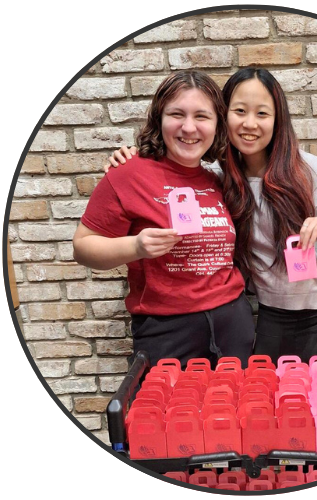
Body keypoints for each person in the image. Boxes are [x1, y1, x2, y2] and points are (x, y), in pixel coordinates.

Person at [107, 67, 317, 371]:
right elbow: (169, 169)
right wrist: (135, 156)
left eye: (262, 113)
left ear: (278, 120)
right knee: (274, 411)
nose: (250, 123)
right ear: (223, 117)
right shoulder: (219, 179)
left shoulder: (309, 170)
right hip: (270, 316)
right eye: (239, 111)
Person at [73, 70, 255, 370]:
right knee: (170, 416)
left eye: (202, 116)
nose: (189, 127)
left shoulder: (220, 179)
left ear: (217, 125)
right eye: (176, 114)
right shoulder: (128, 174)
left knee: (235, 413)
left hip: (233, 321)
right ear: (159, 118)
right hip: (167, 331)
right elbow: (82, 248)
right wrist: (136, 246)